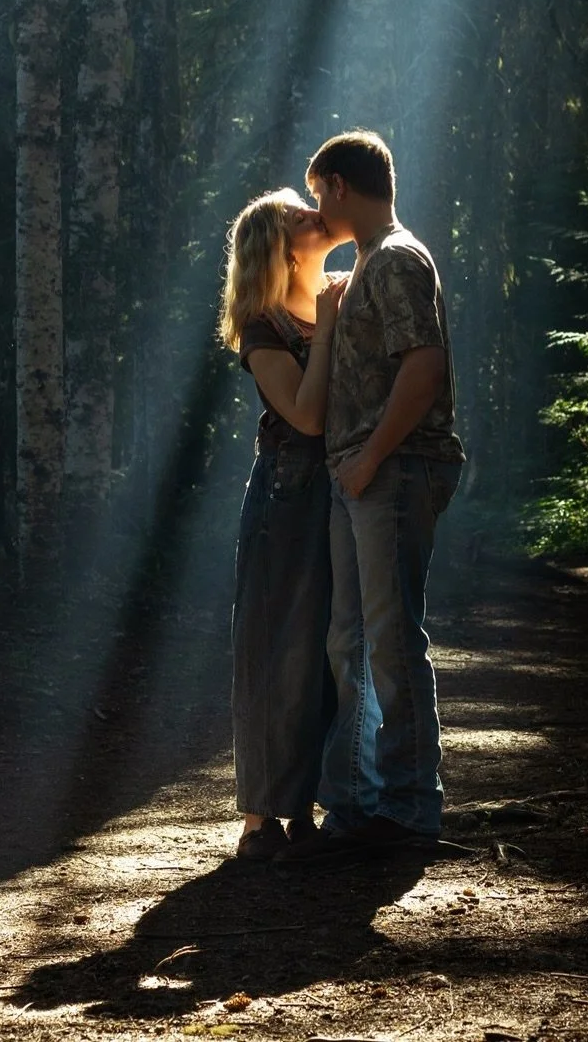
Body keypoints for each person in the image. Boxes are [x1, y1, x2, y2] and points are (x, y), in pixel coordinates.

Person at [291, 129, 465, 857]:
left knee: (390, 642)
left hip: (393, 470)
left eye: (315, 196)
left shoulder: (394, 257)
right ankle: (361, 802)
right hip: (361, 473)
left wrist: (368, 462)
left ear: (336, 184)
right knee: (352, 641)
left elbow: (422, 367)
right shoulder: (365, 264)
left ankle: (407, 808)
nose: (314, 212)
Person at [219, 187, 347, 862]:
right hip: (286, 493)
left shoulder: (341, 293)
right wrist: (327, 328)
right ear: (278, 244)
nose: (313, 214)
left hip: (349, 489)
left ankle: (309, 806)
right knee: (275, 648)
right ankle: (258, 818)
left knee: (332, 649)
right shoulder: (265, 320)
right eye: (298, 214)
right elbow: (304, 415)